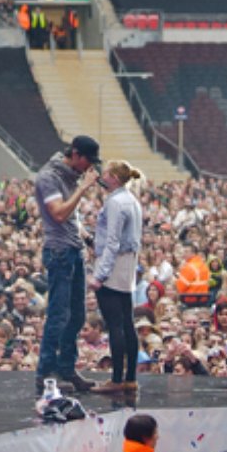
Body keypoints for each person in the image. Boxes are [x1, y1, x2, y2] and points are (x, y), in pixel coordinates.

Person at [35, 135, 101, 395]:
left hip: (73, 249)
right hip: (59, 252)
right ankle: (46, 373)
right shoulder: (49, 177)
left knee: (77, 316)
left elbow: (71, 217)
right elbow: (59, 213)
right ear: (75, 154)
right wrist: (82, 188)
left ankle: (66, 368)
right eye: (87, 161)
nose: (88, 168)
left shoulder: (69, 175)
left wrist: (85, 236)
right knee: (58, 315)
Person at [88, 160, 144, 394]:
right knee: (127, 322)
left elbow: (112, 242)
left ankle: (117, 379)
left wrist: (99, 275)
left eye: (105, 173)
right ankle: (130, 377)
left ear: (113, 177)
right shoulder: (131, 200)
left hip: (113, 266)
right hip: (127, 265)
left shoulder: (116, 202)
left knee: (115, 324)